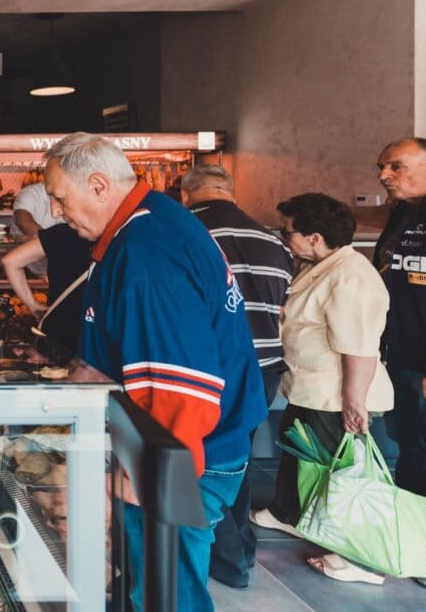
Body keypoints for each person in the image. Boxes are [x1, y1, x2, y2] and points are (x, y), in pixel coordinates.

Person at [44, 132, 266, 612]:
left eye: (60, 198)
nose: (57, 212)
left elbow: (181, 393)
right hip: (175, 448)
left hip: (180, 456)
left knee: (166, 593)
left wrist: (138, 482)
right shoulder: (146, 227)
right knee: (150, 585)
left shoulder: (148, 254)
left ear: (99, 186)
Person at [249, 193, 393, 585]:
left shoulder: (351, 276)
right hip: (311, 388)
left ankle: (360, 558)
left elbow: (360, 348)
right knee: (296, 449)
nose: (283, 238)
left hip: (336, 393)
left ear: (314, 237)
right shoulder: (321, 266)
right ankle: (288, 513)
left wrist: (353, 402)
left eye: (288, 231)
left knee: (344, 472)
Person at [181, 164, 294, 589]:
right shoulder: (272, 240)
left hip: (211, 367)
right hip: (264, 368)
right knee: (238, 462)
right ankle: (241, 552)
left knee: (204, 463)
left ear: (186, 194)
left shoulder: (184, 230)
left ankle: (221, 556)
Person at [374, 137, 426, 591]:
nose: (384, 175)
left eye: (396, 166)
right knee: (412, 454)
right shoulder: (402, 214)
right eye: (382, 167)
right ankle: (418, 544)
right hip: (401, 359)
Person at [2, 181, 91, 347]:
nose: (55, 211)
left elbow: (10, 261)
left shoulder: (57, 234)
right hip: (92, 329)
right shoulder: (110, 235)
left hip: (58, 325)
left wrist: (32, 304)